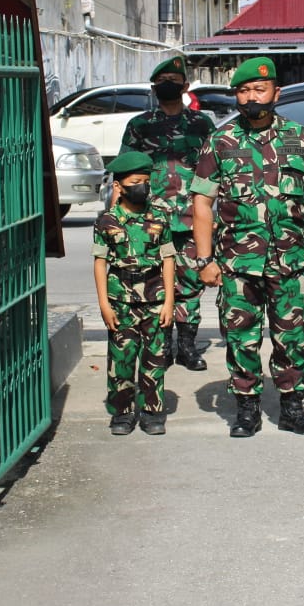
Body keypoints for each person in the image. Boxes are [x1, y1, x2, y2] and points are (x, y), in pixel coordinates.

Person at [191, 56, 304, 438]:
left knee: (292, 338)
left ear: (276, 93)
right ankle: (247, 410)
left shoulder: (299, 138)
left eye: (259, 89)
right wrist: (205, 258)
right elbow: (202, 203)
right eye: (243, 91)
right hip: (237, 263)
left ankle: (292, 408)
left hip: (289, 261)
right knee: (241, 338)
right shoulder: (220, 141)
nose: (251, 97)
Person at [119, 56, 215, 371]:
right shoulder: (140, 125)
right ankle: (159, 347)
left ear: (185, 87)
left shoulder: (202, 124)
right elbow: (124, 172)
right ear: (154, 88)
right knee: (153, 284)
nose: (168, 86)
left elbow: (216, 171)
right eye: (163, 82)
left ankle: (186, 348)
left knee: (189, 285)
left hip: (190, 218)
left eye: (174, 81)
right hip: (151, 220)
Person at [93, 152, 177, 435]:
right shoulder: (107, 221)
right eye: (135, 181)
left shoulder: (159, 216)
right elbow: (100, 262)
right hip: (121, 301)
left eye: (145, 181)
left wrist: (169, 301)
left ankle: (153, 412)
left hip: (154, 298)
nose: (142, 186)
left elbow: (168, 258)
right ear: (119, 186)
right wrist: (104, 304)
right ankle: (122, 412)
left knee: (155, 357)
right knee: (122, 359)